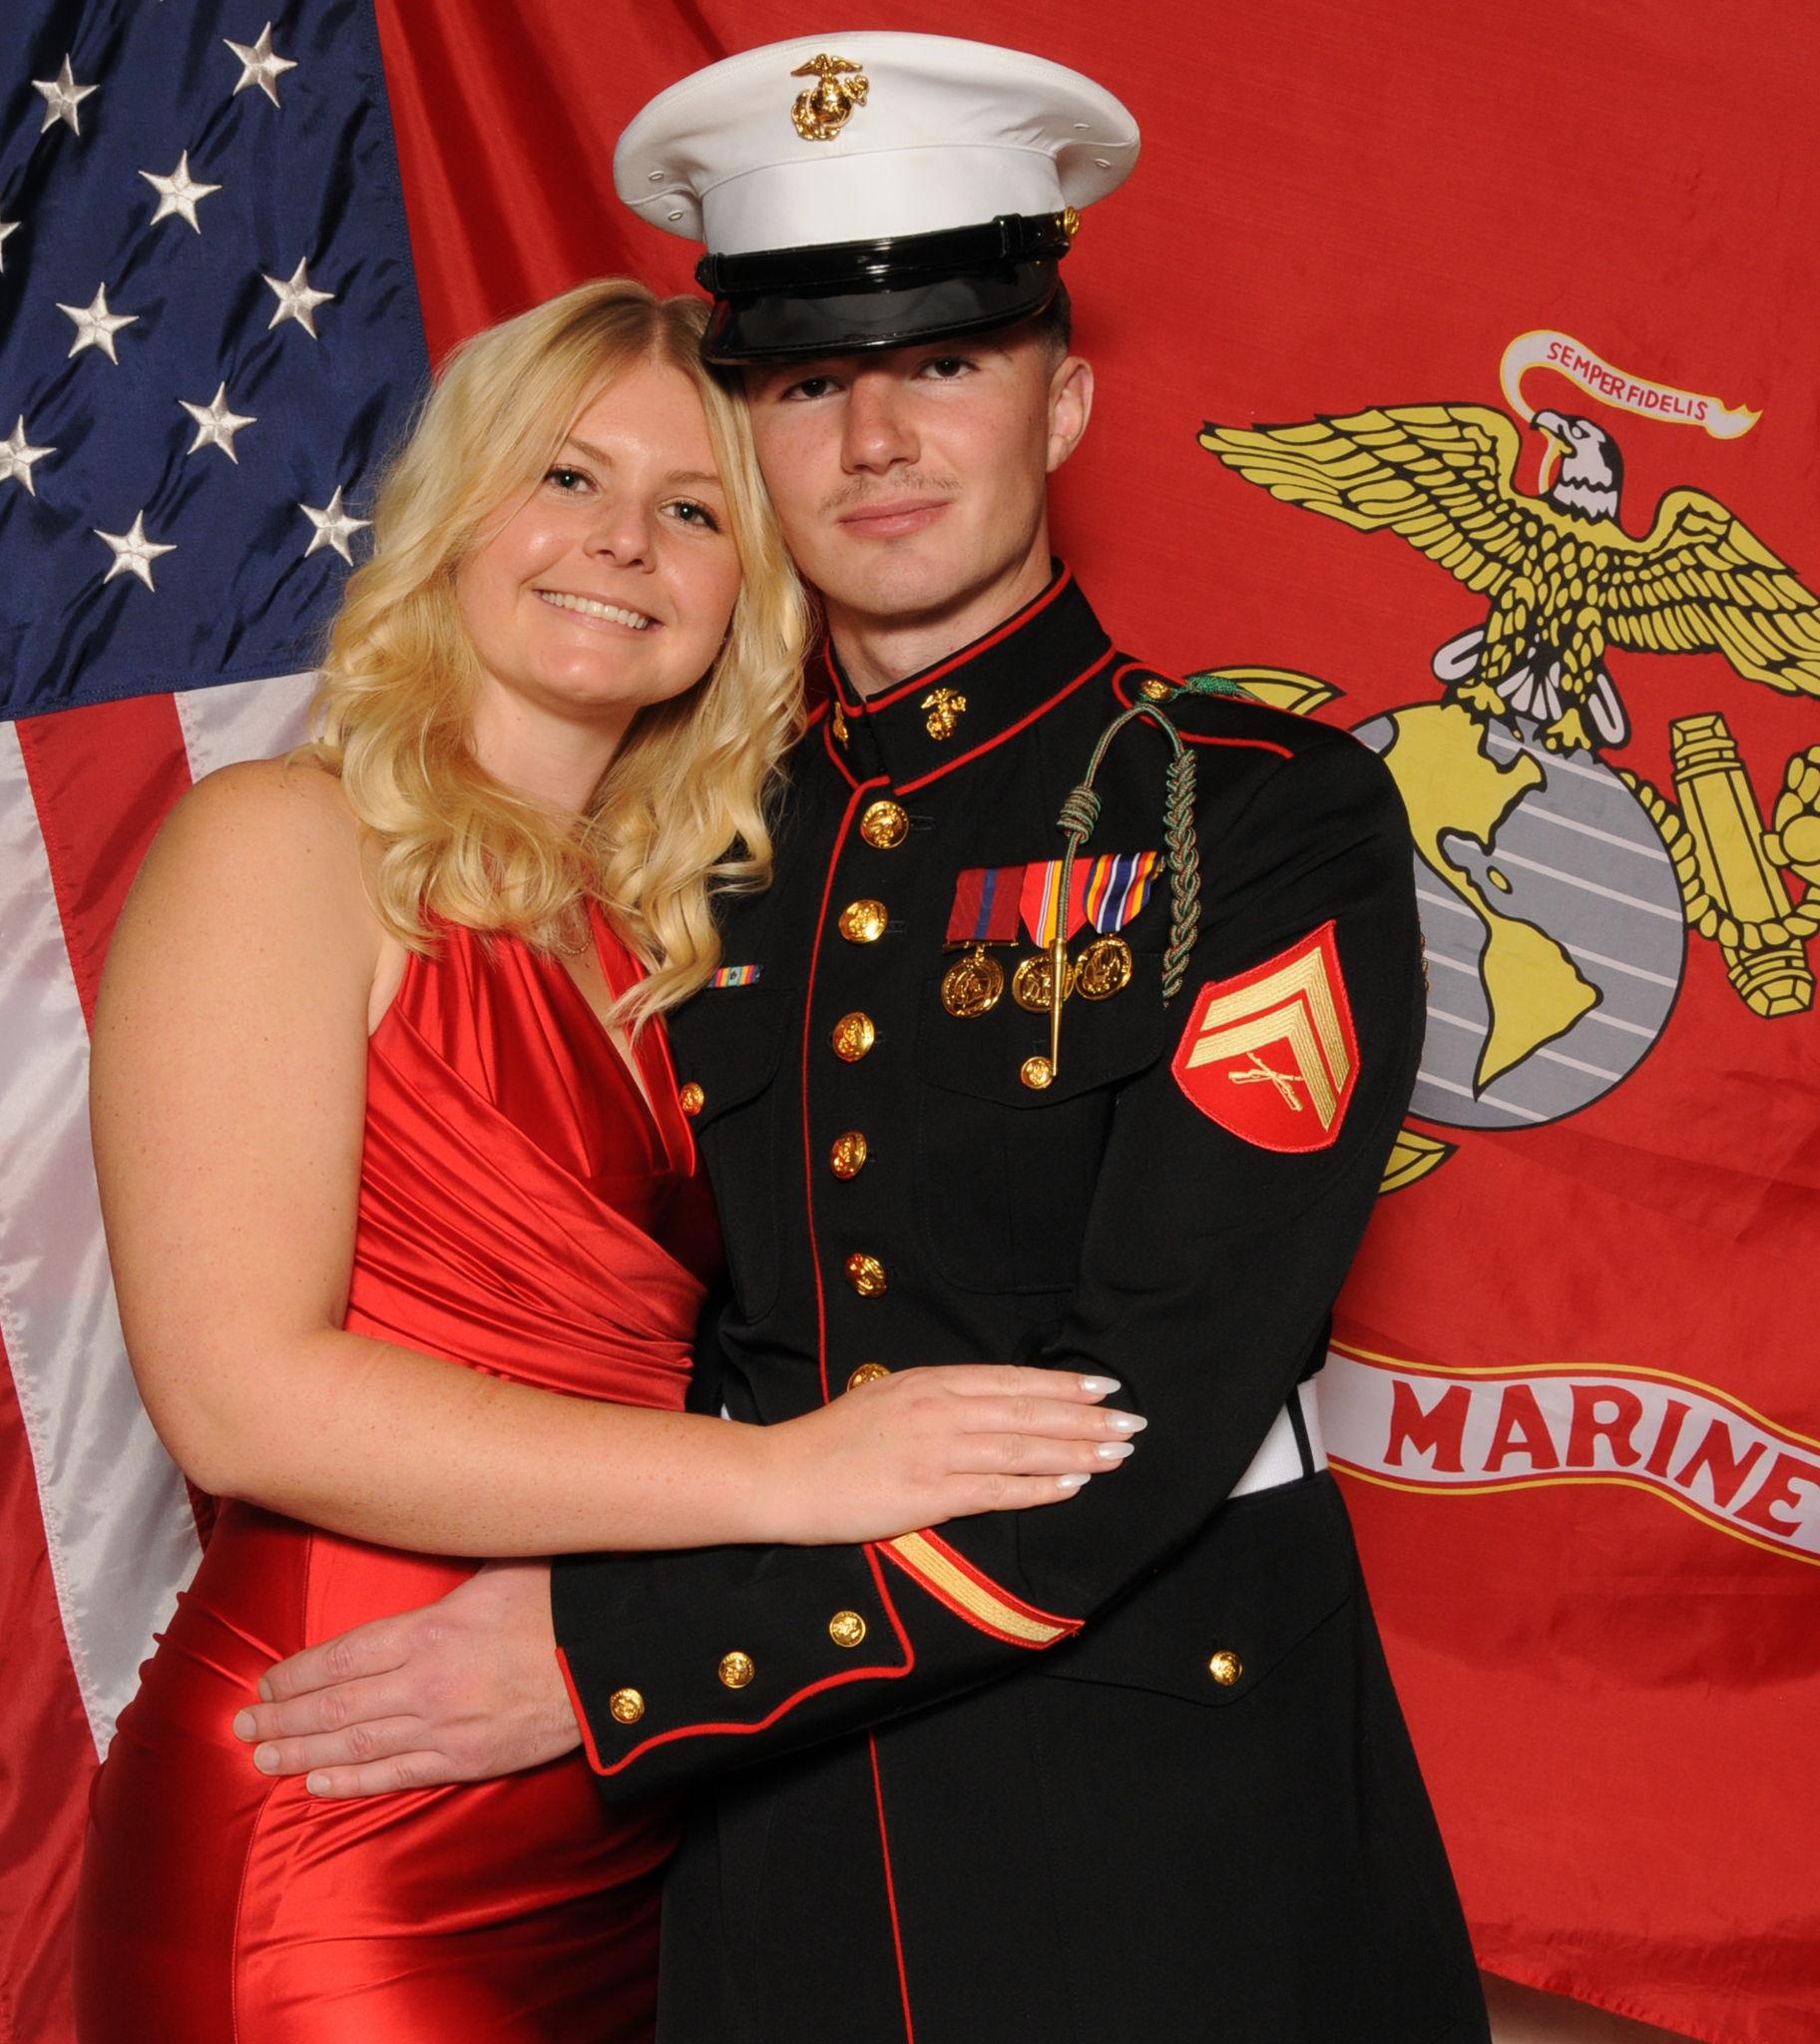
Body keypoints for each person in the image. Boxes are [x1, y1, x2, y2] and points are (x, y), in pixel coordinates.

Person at [229, 36, 1494, 2043]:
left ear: (1061, 400)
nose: (880, 437)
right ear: (752, 443)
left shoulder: (1250, 815)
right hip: (772, 1858)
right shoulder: (680, 851)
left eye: (947, 362)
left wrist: (616, 1663)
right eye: (810, 384)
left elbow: (1155, 1403)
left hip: (1159, 1833)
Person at [72, 275, 1137, 2043]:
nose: (625, 543)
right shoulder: (282, 842)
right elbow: (239, 1402)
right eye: (566, 478)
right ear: (457, 510)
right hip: (343, 1804)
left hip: (632, 1785)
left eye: (696, 510)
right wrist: (792, 1480)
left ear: (749, 586)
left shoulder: (691, 935)